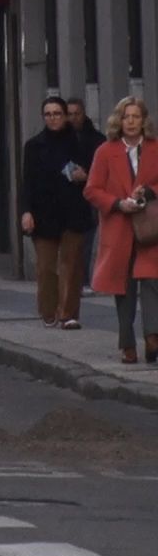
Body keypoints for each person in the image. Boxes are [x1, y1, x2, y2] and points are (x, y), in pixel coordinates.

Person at [85, 97, 158, 364]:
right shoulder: (105, 151)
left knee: (153, 281)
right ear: (119, 120)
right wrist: (117, 203)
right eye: (126, 116)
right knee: (123, 287)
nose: (130, 122)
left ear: (143, 121)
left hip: (150, 228)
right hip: (119, 227)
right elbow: (91, 189)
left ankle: (153, 336)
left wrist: (150, 191)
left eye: (136, 117)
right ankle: (127, 343)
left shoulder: (155, 148)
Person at [21, 96, 93, 329]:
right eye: (48, 114)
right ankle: (48, 309)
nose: (53, 118)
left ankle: (69, 313)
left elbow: (99, 173)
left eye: (57, 113)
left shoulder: (81, 143)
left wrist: (86, 176)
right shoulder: (34, 146)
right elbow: (27, 181)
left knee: (72, 264)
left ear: (66, 116)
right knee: (46, 267)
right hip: (44, 212)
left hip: (73, 209)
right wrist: (26, 211)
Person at [70, 98, 108, 291]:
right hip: (67, 197)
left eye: (77, 113)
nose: (73, 117)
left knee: (87, 241)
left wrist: (87, 176)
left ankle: (85, 279)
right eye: (69, 113)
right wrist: (70, 173)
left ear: (83, 114)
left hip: (89, 197)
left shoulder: (97, 140)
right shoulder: (60, 140)